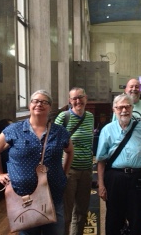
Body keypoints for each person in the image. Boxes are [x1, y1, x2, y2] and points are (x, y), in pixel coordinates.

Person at [0, 89, 74, 235]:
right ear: (29, 105)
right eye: (35, 101)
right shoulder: (14, 129)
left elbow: (70, 151)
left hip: (53, 195)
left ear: (50, 107)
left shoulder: (59, 132)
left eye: (44, 102)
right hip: (24, 198)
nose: (39, 104)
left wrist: (63, 173)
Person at [97, 93, 141, 235]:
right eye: (120, 107)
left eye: (127, 106)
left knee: (138, 216)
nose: (124, 110)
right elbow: (101, 159)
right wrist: (101, 185)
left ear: (132, 108)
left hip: (139, 177)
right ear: (114, 109)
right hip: (115, 178)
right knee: (114, 217)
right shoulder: (107, 130)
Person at [54, 87, 94, 235]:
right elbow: (54, 144)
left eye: (81, 97)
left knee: (82, 210)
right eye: (74, 98)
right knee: (66, 212)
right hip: (68, 171)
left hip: (87, 170)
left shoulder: (90, 116)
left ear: (86, 98)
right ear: (70, 101)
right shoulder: (63, 117)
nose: (78, 101)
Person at [112, 78, 141, 165]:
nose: (134, 89)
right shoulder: (118, 107)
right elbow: (114, 129)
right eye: (131, 86)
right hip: (122, 150)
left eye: (137, 87)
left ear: (140, 90)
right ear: (126, 90)